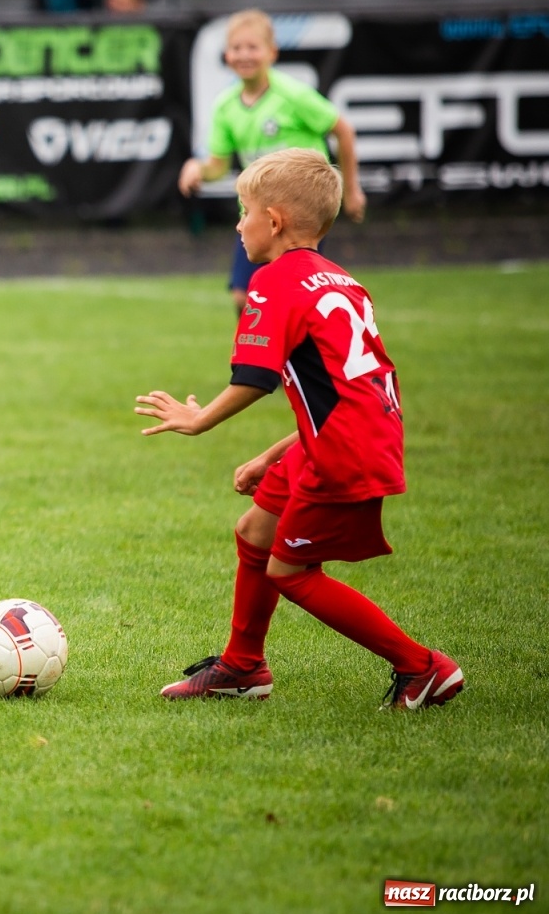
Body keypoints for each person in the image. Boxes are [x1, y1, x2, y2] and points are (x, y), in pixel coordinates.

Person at [136, 148, 461, 711]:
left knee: (291, 570)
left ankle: (422, 666)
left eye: (245, 211)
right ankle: (242, 667)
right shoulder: (340, 280)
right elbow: (343, 393)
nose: (239, 224)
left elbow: (255, 379)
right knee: (255, 531)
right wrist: (273, 455)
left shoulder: (273, 281)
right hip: (354, 434)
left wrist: (198, 420)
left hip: (343, 449)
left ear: (276, 220)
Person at [178, 9, 365, 315]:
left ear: (271, 52)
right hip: (256, 215)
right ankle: (260, 356)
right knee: (244, 297)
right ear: (226, 55)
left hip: (301, 213)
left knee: (293, 297)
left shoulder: (293, 95)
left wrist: (352, 191)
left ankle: (293, 358)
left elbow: (343, 130)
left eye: (253, 47)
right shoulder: (226, 106)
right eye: (237, 48)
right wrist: (197, 168)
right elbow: (219, 165)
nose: (244, 55)